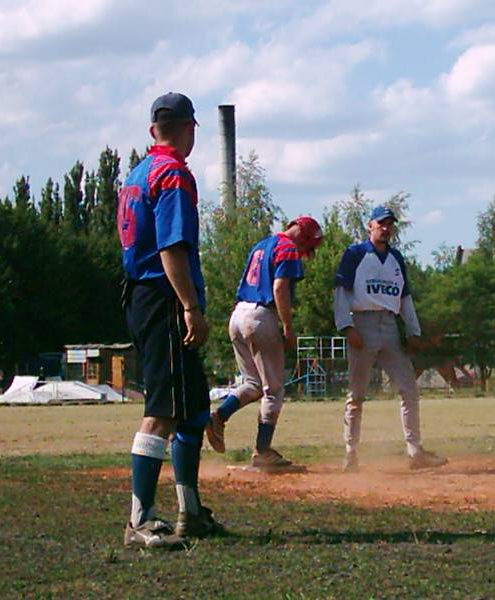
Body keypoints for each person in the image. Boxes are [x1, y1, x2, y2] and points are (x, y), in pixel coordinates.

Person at [117, 92, 222, 549]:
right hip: (162, 297)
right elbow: (171, 248)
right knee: (161, 411)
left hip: (141, 293)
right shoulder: (173, 175)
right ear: (189, 129)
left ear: (152, 130)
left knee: (194, 407)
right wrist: (189, 306)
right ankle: (140, 520)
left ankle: (191, 512)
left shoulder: (138, 174)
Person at [334, 206, 448, 472]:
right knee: (357, 393)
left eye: (389, 224)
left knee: (409, 388)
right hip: (363, 323)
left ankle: (415, 451)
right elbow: (341, 292)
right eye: (381, 223)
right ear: (370, 225)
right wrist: (346, 326)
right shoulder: (356, 254)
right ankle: (351, 453)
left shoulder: (396, 258)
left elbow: (405, 298)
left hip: (390, 326)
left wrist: (413, 330)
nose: (386, 228)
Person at [205, 217, 323, 471]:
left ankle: (219, 416)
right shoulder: (288, 248)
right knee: (275, 388)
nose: (305, 253)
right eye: (308, 247)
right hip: (261, 316)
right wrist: (288, 328)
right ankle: (263, 452)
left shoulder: (262, 245)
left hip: (238, 314)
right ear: (303, 236)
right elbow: (279, 288)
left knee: (253, 384)